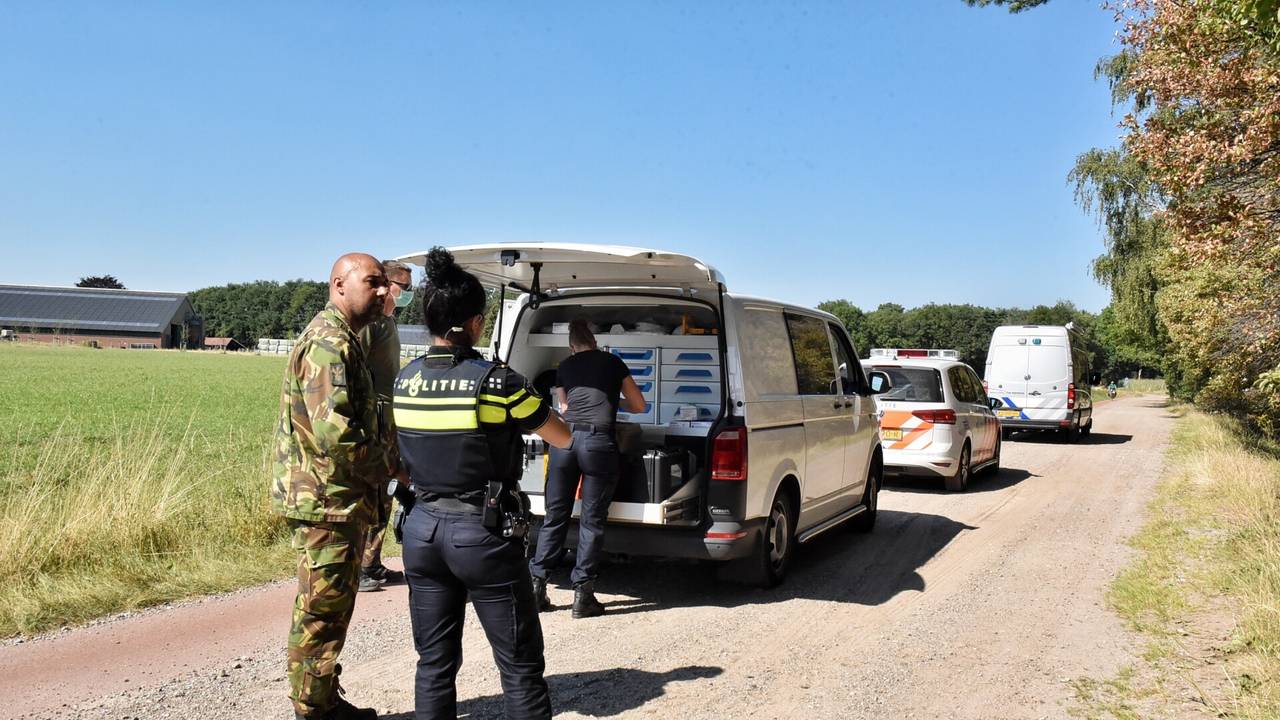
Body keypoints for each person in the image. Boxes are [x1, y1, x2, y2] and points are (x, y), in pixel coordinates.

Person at [394, 247, 571, 719]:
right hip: (483, 534)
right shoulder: (497, 382)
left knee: (434, 662)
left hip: (421, 530)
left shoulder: (403, 381)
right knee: (518, 664)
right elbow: (559, 434)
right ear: (476, 323)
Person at [271, 253, 397, 720]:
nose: (383, 291)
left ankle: (322, 700)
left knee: (330, 607)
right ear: (339, 285)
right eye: (372, 282)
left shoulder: (347, 339)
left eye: (384, 283)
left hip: (336, 498)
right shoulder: (328, 344)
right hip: (326, 501)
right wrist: (389, 466)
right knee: (321, 612)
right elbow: (336, 434)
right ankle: (314, 711)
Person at [527, 319, 647, 618]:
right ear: (595, 342)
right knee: (591, 521)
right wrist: (611, 401)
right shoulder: (613, 363)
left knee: (555, 516)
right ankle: (583, 596)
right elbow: (639, 405)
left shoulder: (565, 367)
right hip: (597, 444)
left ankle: (537, 588)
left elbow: (565, 409)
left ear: (572, 346)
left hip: (565, 441)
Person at [357, 259, 415, 593]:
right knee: (373, 490)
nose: (407, 294)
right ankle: (362, 568)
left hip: (389, 421)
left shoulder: (389, 323)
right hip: (373, 422)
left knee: (385, 493)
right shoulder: (371, 323)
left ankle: (372, 563)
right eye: (403, 287)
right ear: (385, 285)